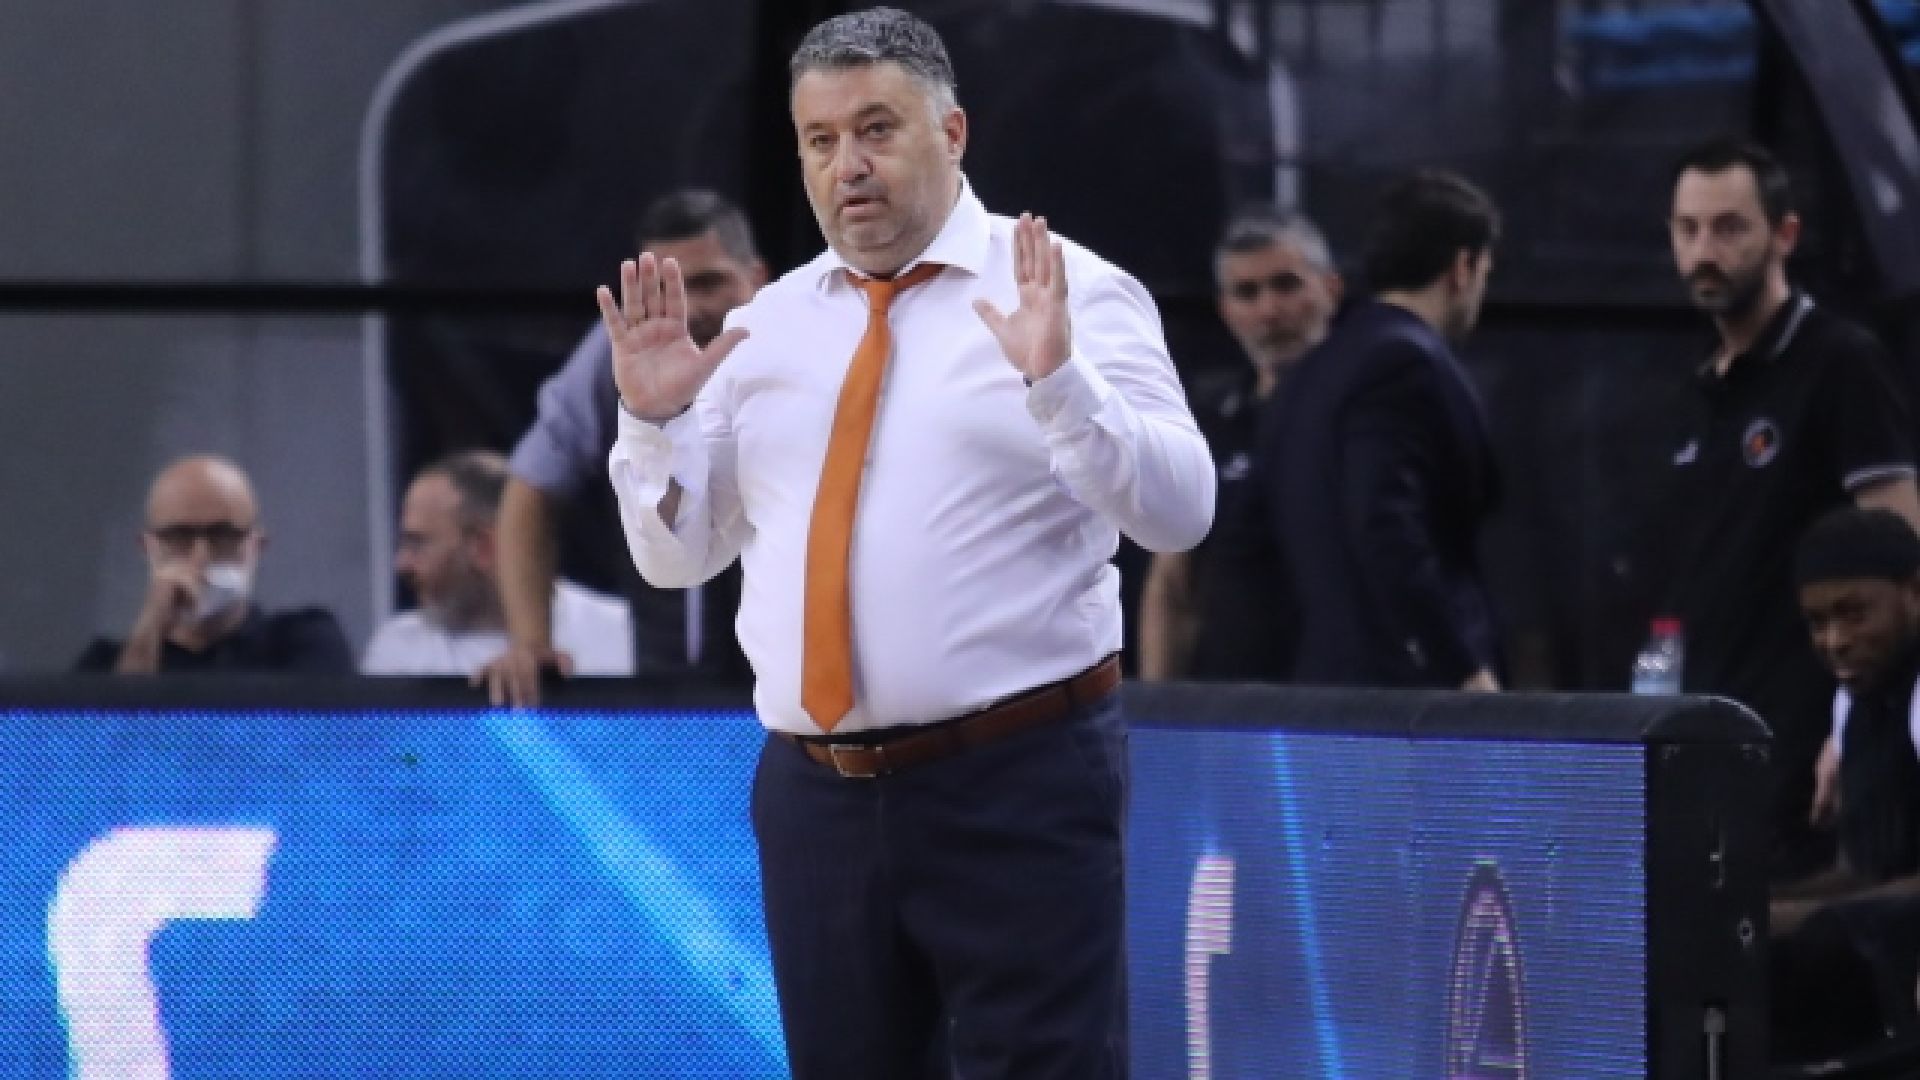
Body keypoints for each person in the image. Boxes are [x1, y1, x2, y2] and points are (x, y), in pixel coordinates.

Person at [601, 8, 1213, 1075]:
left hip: (1018, 777)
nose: (849, 165)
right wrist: (655, 424)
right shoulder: (766, 327)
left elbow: (1182, 510)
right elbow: (676, 560)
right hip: (816, 796)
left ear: (953, 132)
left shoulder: (1068, 290)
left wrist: (1060, 385)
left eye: (877, 129)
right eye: (821, 140)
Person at [1652, 137, 1920, 877]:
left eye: (1729, 227)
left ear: (1785, 234)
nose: (1705, 250)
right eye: (1688, 229)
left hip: (1802, 752)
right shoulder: (1695, 393)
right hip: (1704, 747)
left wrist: (1861, 723)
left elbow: (1902, 547)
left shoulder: (1840, 362)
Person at [480, 189, 767, 705]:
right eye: (669, 288)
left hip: (798, 689)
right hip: (667, 693)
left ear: (757, 277)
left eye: (709, 283)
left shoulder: (807, 349)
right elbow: (531, 486)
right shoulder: (621, 353)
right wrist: (529, 641)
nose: (692, 309)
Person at [1263, 169, 1503, 690]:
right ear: (1463, 268)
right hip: (1403, 701)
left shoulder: (1311, 370)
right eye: (1485, 272)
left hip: (1317, 686)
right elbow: (1385, 525)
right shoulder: (1404, 364)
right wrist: (1462, 669)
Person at [1139, 207, 1340, 682]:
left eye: (1286, 285)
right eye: (1247, 293)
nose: (1269, 311)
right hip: (1228, 700)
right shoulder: (1210, 423)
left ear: (1330, 288)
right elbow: (1173, 585)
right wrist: (1157, 710)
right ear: (1226, 310)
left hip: (1346, 697)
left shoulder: (1366, 418)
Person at [1768, 507, 1920, 1061]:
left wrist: (1796, 919)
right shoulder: (1852, 701)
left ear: (1914, 592)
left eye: (1855, 615)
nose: (1835, 641)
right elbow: (1864, 868)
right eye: (1817, 622)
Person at [363, 450, 631, 677]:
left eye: (417, 544)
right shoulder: (397, 651)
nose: (402, 564)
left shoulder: (620, 636)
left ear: (485, 547)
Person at [75, 455, 353, 674]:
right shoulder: (103, 665)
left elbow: (317, 724)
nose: (201, 556)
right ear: (148, 549)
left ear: (256, 547)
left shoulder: (304, 641)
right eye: (179, 536)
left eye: (223, 536)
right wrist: (151, 626)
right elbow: (114, 728)